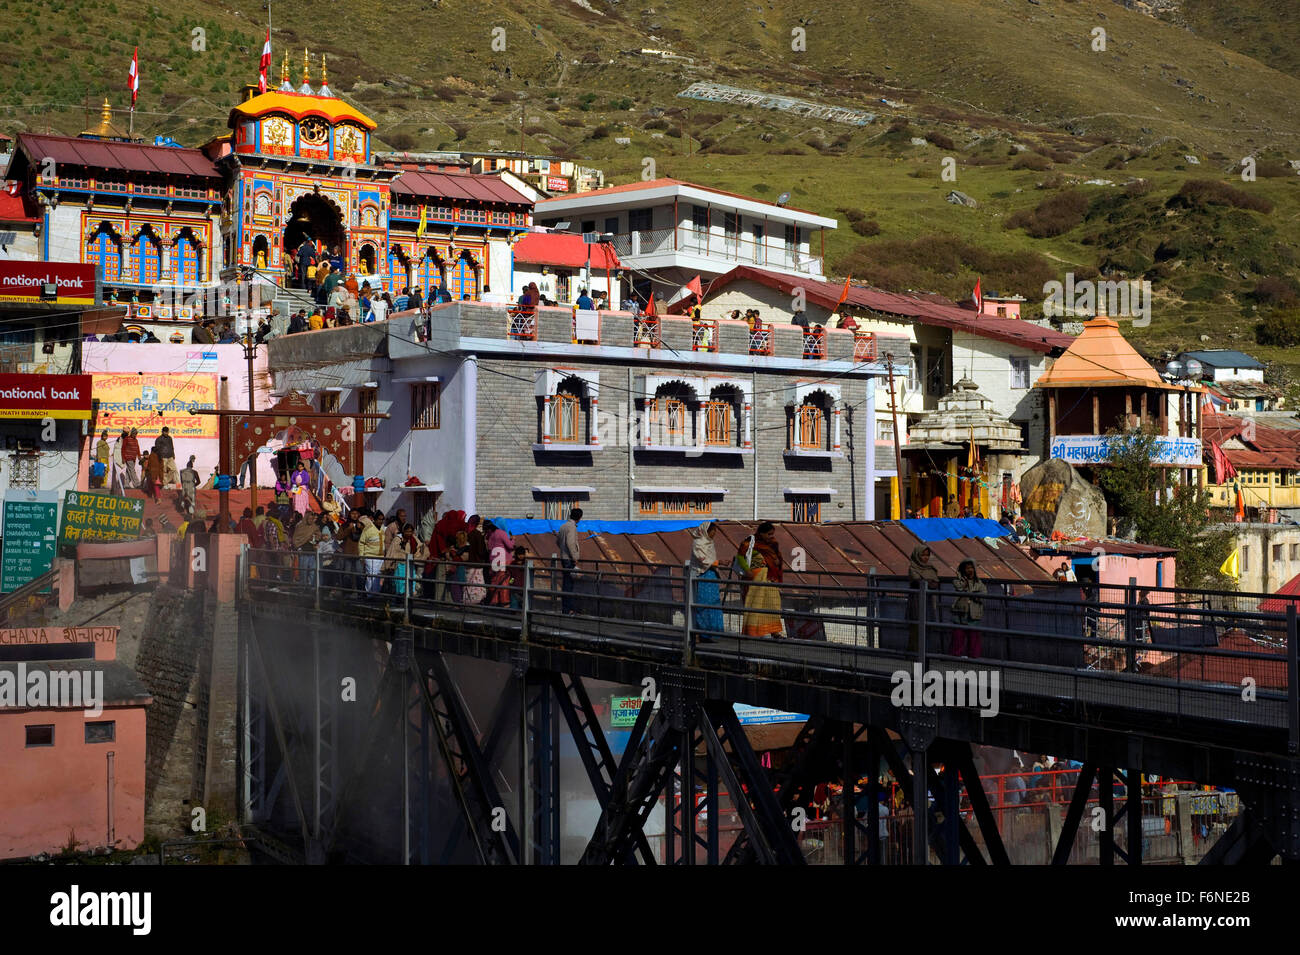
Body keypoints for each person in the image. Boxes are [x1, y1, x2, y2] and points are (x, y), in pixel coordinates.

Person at [736, 522, 784, 638]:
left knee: (773, 604)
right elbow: (740, 556)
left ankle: (775, 632)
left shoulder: (773, 544)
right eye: (768, 534)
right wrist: (747, 570)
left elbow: (778, 558)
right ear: (761, 533)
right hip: (755, 578)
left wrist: (777, 562)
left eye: (772, 534)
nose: (771, 536)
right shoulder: (750, 542)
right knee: (755, 604)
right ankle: (751, 632)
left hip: (770, 578)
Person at [690, 521, 724, 638]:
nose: (714, 533)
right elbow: (703, 560)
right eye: (713, 531)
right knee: (703, 604)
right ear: (706, 531)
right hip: (703, 576)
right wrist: (719, 562)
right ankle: (702, 633)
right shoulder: (698, 543)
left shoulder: (709, 543)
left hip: (711, 576)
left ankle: (713, 633)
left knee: (713, 603)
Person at [907, 544, 940, 652]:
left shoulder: (931, 568)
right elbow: (918, 581)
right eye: (923, 555)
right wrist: (928, 582)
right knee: (916, 627)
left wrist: (927, 582)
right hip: (916, 601)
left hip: (929, 601)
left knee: (928, 626)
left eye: (927, 555)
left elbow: (935, 583)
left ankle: (926, 653)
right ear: (917, 555)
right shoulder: (913, 568)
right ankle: (914, 653)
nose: (925, 557)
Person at [950, 558, 986, 658]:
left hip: (974, 614)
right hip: (960, 613)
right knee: (958, 636)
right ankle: (955, 655)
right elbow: (959, 588)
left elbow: (983, 595)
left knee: (974, 637)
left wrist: (972, 594)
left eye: (971, 568)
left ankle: (973, 656)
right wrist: (964, 581)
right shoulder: (958, 581)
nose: (970, 570)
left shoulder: (979, 583)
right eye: (967, 568)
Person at [556, 507, 583, 614]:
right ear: (579, 517)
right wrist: (575, 557)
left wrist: (563, 550)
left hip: (563, 557)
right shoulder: (572, 527)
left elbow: (558, 541)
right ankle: (568, 609)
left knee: (566, 583)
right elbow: (571, 543)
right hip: (569, 559)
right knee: (569, 585)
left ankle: (566, 608)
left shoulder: (563, 526)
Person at [484, 520, 514, 605]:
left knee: (495, 581)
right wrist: (513, 540)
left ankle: (494, 600)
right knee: (504, 581)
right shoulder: (502, 533)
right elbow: (510, 546)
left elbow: (489, 548)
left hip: (493, 561)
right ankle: (504, 601)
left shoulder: (490, 535)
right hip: (503, 561)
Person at [358, 511, 384, 595]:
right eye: (379, 519)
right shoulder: (368, 528)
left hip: (381, 556)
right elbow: (361, 543)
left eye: (382, 519)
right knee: (371, 576)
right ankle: (369, 594)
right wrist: (361, 556)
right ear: (375, 519)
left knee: (378, 576)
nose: (381, 521)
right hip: (370, 556)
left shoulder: (383, 528)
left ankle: (376, 594)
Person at [462, 529, 489, 604]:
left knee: (469, 582)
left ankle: (468, 599)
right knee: (478, 583)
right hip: (478, 564)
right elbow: (481, 551)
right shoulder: (478, 536)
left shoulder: (470, 536)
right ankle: (478, 599)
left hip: (470, 564)